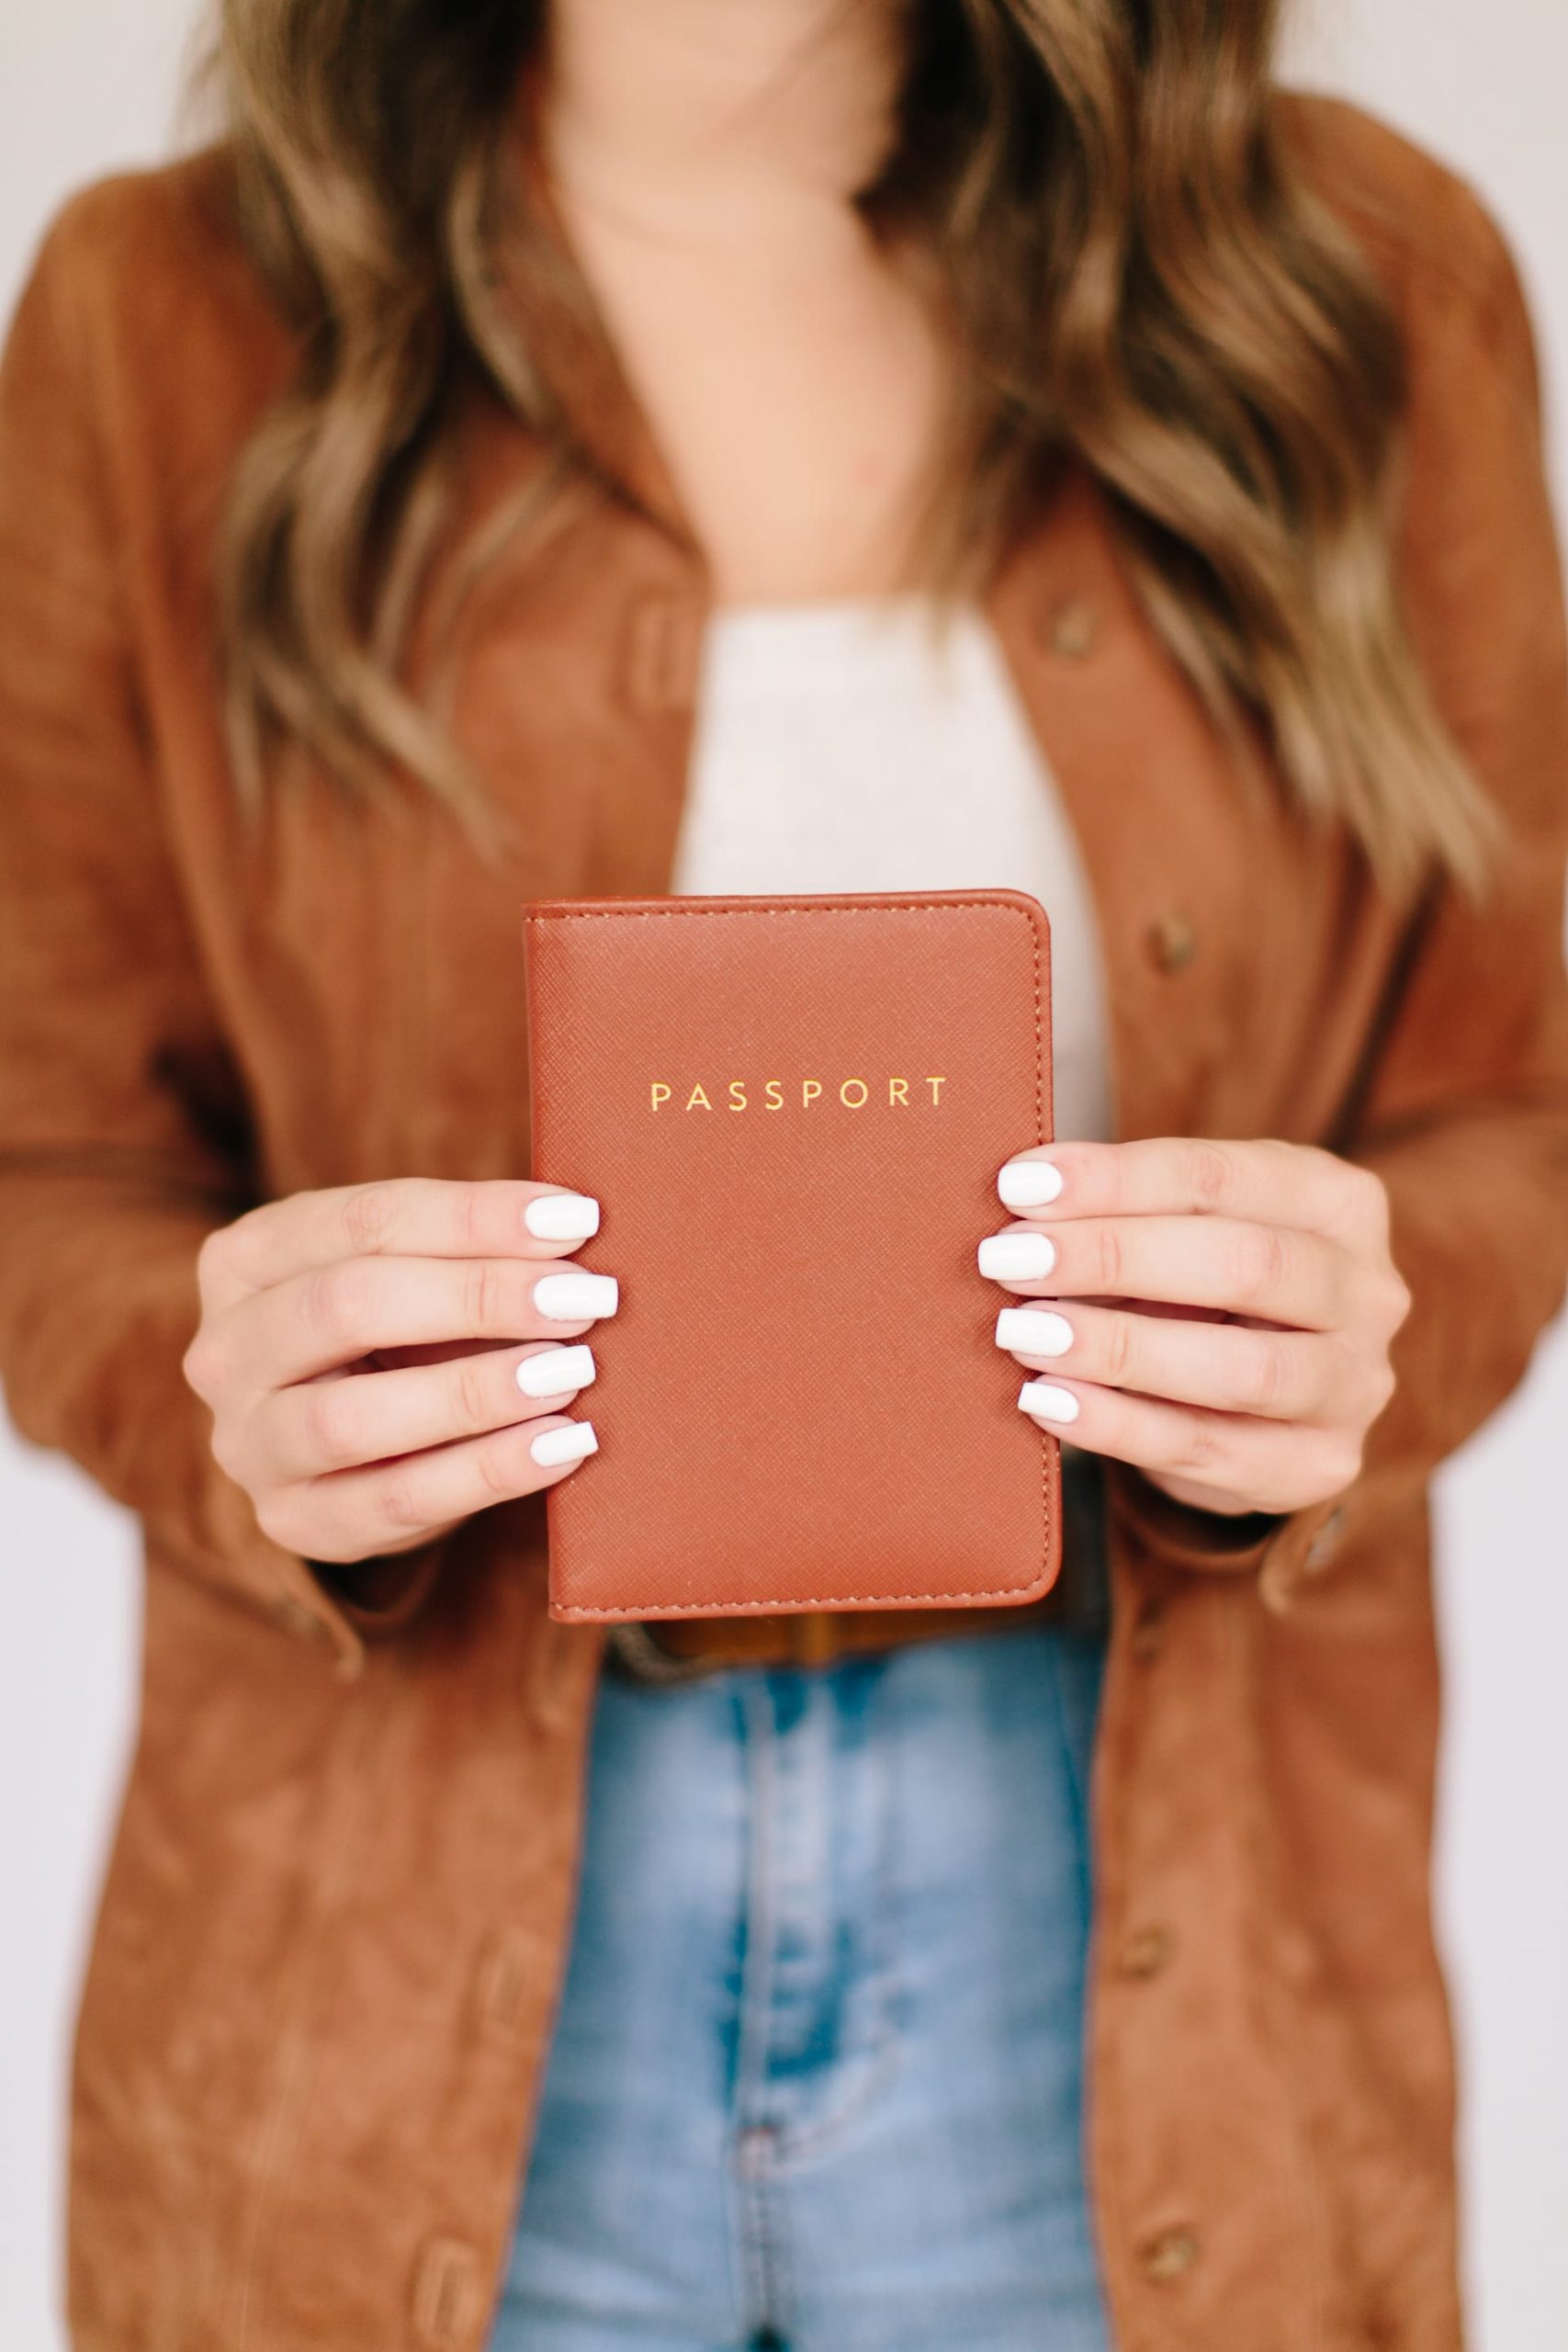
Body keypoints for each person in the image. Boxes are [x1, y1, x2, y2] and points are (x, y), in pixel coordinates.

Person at [1, 2, 1564, 2346]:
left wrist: (1359, 1323)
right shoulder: (160, 314)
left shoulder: (1353, 273)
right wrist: (236, 1400)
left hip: (1147, 1917)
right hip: (380, 1959)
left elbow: (1500, 1114)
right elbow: (53, 1158)